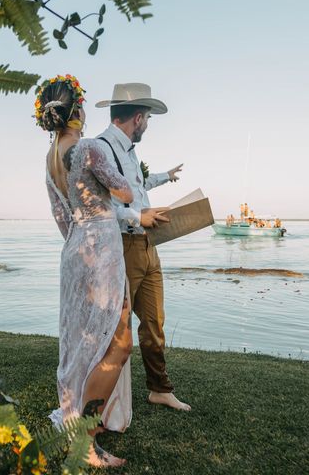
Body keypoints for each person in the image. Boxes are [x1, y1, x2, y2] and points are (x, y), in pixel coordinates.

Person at [38, 75, 134, 467]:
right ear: (77, 109)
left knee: (84, 342)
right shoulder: (91, 148)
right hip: (102, 248)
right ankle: (86, 440)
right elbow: (125, 191)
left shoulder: (50, 161)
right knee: (120, 341)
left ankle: (81, 427)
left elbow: (61, 217)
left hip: (75, 248)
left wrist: (80, 243)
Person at [95, 83, 190, 411]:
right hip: (123, 246)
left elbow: (137, 186)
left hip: (149, 246)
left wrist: (166, 177)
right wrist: (140, 217)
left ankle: (159, 388)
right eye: (147, 119)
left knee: (154, 322)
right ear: (137, 117)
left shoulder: (130, 153)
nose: (147, 125)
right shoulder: (101, 148)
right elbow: (102, 208)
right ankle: (101, 399)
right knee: (115, 328)